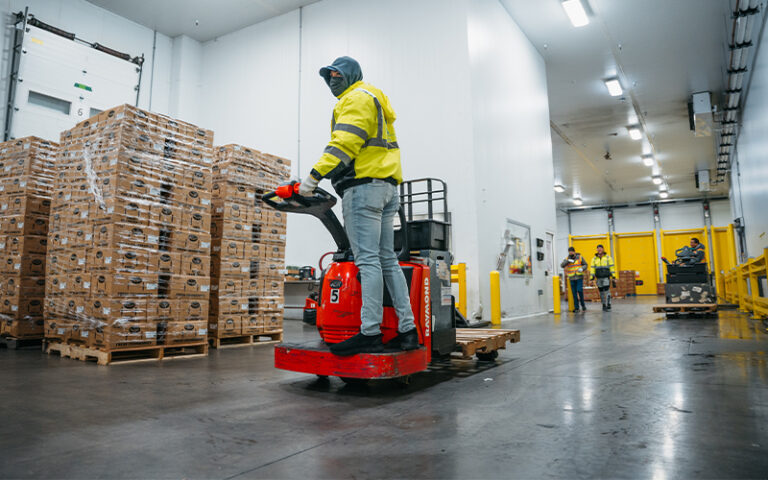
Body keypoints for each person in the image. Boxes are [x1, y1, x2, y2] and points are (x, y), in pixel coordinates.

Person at [298, 56, 417, 356]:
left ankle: (370, 332)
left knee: (368, 262)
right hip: (388, 187)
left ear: (350, 75)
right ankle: (407, 331)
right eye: (329, 76)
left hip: (363, 188)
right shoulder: (376, 99)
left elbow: (344, 143)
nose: (332, 80)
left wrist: (312, 178)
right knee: (387, 261)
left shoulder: (355, 99)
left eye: (337, 74)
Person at [560, 247, 587, 312]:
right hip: (572, 278)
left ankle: (583, 305)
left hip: (579, 277)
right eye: (569, 252)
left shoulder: (580, 257)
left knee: (579, 290)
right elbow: (562, 265)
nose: (570, 253)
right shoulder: (567, 258)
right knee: (574, 293)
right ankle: (576, 308)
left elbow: (585, 264)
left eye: (572, 251)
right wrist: (567, 261)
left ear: (574, 252)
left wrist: (582, 268)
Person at [590, 244, 616, 311]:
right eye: (598, 248)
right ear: (597, 250)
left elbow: (612, 267)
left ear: (603, 249)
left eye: (600, 248)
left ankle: (608, 304)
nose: (599, 249)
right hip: (598, 278)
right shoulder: (594, 259)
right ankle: (604, 304)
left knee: (607, 291)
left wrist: (613, 276)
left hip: (606, 277)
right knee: (601, 292)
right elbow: (592, 269)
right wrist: (591, 278)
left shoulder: (608, 258)